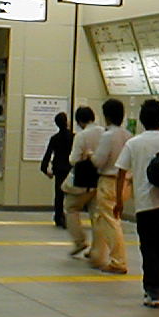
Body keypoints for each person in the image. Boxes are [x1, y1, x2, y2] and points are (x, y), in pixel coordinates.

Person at [115, 99, 159, 308]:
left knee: (148, 248)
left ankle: (153, 289)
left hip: (145, 205)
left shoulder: (134, 143)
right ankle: (156, 285)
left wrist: (119, 200)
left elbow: (121, 171)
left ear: (141, 119)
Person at [87, 99, 129, 274]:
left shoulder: (107, 136)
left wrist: (90, 154)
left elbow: (99, 161)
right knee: (103, 219)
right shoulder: (128, 135)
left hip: (109, 181)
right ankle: (98, 254)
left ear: (107, 116)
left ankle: (118, 261)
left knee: (111, 221)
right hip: (125, 181)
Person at [62, 106, 102, 257]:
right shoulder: (104, 132)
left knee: (71, 209)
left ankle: (80, 241)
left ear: (79, 121)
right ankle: (96, 249)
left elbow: (73, 159)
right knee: (96, 216)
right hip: (98, 180)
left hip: (81, 181)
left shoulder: (81, 136)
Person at [39, 112, 73, 228]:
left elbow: (47, 155)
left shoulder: (54, 139)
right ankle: (71, 217)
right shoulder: (73, 137)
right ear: (67, 122)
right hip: (70, 169)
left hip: (59, 169)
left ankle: (59, 216)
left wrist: (45, 170)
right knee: (72, 194)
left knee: (59, 194)